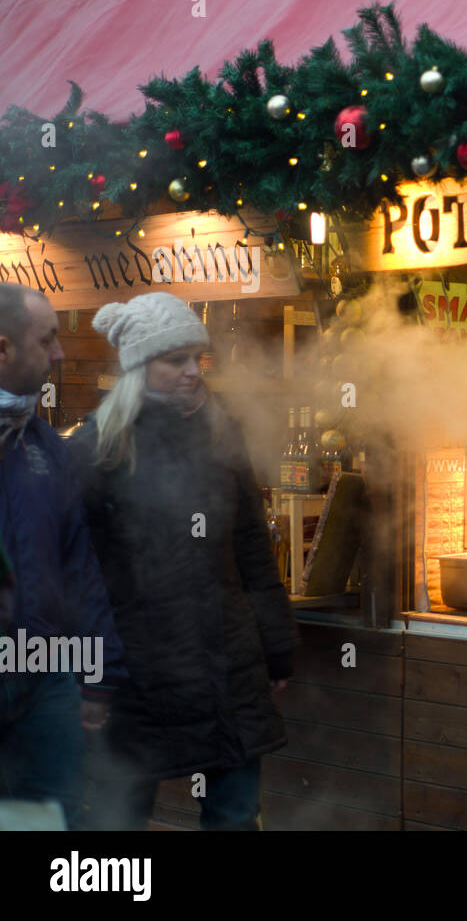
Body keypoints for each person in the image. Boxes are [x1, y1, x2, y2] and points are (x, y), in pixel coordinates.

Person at [67, 292, 298, 830]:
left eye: (198, 358)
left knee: (235, 816)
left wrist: (276, 646)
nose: (194, 371)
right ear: (138, 369)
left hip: (226, 665)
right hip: (137, 675)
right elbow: (78, 576)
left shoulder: (222, 434)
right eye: (176, 360)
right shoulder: (96, 450)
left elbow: (250, 549)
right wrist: (91, 677)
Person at [0, 283, 127, 829]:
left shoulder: (44, 447)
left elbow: (80, 567)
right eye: (47, 339)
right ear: (3, 349)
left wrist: (98, 676)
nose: (60, 353)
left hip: (45, 672)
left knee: (54, 817)